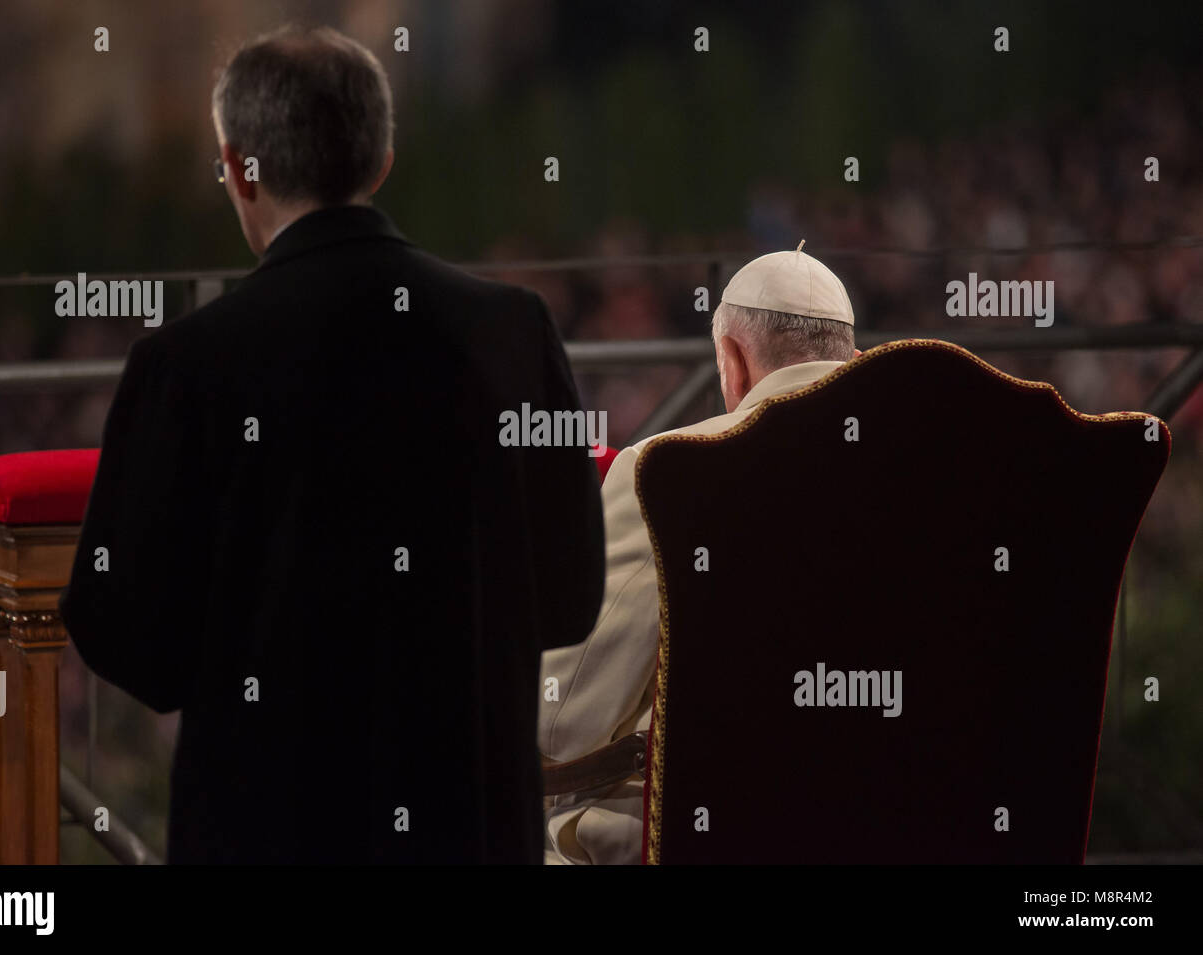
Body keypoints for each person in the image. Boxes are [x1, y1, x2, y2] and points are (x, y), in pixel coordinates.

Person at [60, 25, 605, 864]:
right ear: (381, 161)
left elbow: (127, 635)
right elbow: (569, 594)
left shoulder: (183, 363)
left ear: (240, 169)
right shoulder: (514, 332)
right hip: (471, 827)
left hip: (263, 831)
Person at [539, 245, 858, 864]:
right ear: (855, 358)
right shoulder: (928, 475)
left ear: (732, 360)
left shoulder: (670, 470)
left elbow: (563, 725)